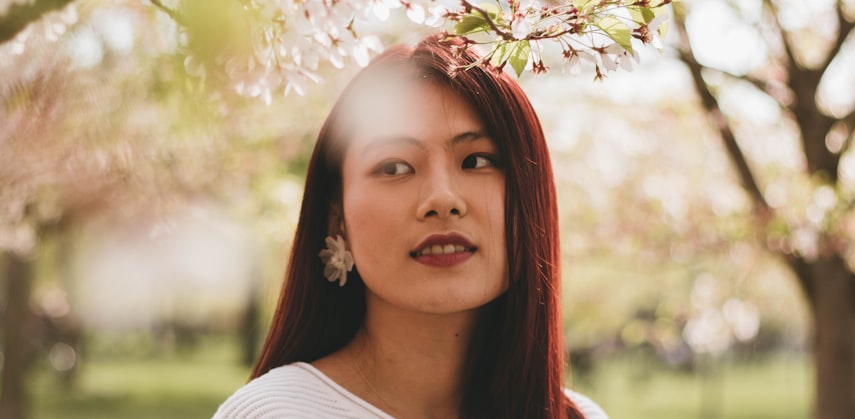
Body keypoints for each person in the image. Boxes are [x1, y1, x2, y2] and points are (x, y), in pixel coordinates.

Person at [214, 33, 608, 419]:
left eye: (477, 161)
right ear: (338, 215)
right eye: (394, 167)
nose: (442, 200)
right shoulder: (278, 412)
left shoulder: (576, 415)